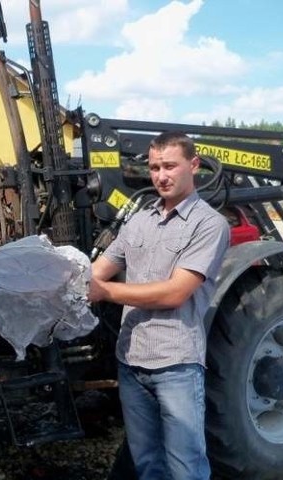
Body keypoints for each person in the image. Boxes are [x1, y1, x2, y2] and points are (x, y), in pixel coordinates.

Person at [88, 131, 230, 480]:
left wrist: (104, 292)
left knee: (186, 467)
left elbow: (174, 293)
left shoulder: (209, 224)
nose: (161, 176)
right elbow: (98, 270)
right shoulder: (138, 220)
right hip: (131, 363)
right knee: (147, 464)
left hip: (175, 365)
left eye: (170, 166)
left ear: (193, 165)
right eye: (154, 167)